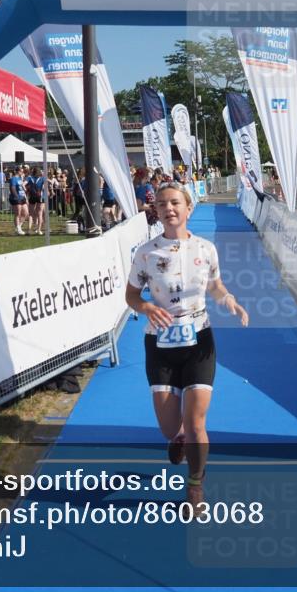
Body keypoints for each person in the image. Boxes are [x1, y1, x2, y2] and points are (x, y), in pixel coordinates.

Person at [124, 181, 249, 512]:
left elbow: (216, 286)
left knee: (197, 423)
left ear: (188, 208)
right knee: (170, 428)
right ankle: (178, 436)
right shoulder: (145, 253)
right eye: (162, 203)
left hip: (199, 340)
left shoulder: (206, 249)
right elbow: (131, 296)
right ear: (156, 211)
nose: (169, 208)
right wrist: (146, 307)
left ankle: (195, 485)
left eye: (175, 202)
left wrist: (229, 300)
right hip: (160, 342)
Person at [9, 165, 29, 235]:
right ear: (18, 171)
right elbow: (12, 188)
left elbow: (22, 188)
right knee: (18, 214)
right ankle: (18, 229)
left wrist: (25, 197)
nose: (22, 172)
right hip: (16, 198)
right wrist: (16, 197)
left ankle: (18, 226)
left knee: (26, 213)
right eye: (21, 171)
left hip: (22, 198)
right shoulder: (13, 179)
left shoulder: (20, 178)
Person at [26, 166, 45, 235]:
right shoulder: (42, 178)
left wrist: (26, 190)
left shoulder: (29, 178)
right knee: (40, 213)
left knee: (31, 214)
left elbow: (23, 184)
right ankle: (39, 230)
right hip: (40, 196)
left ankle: (29, 230)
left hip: (32, 196)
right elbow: (46, 186)